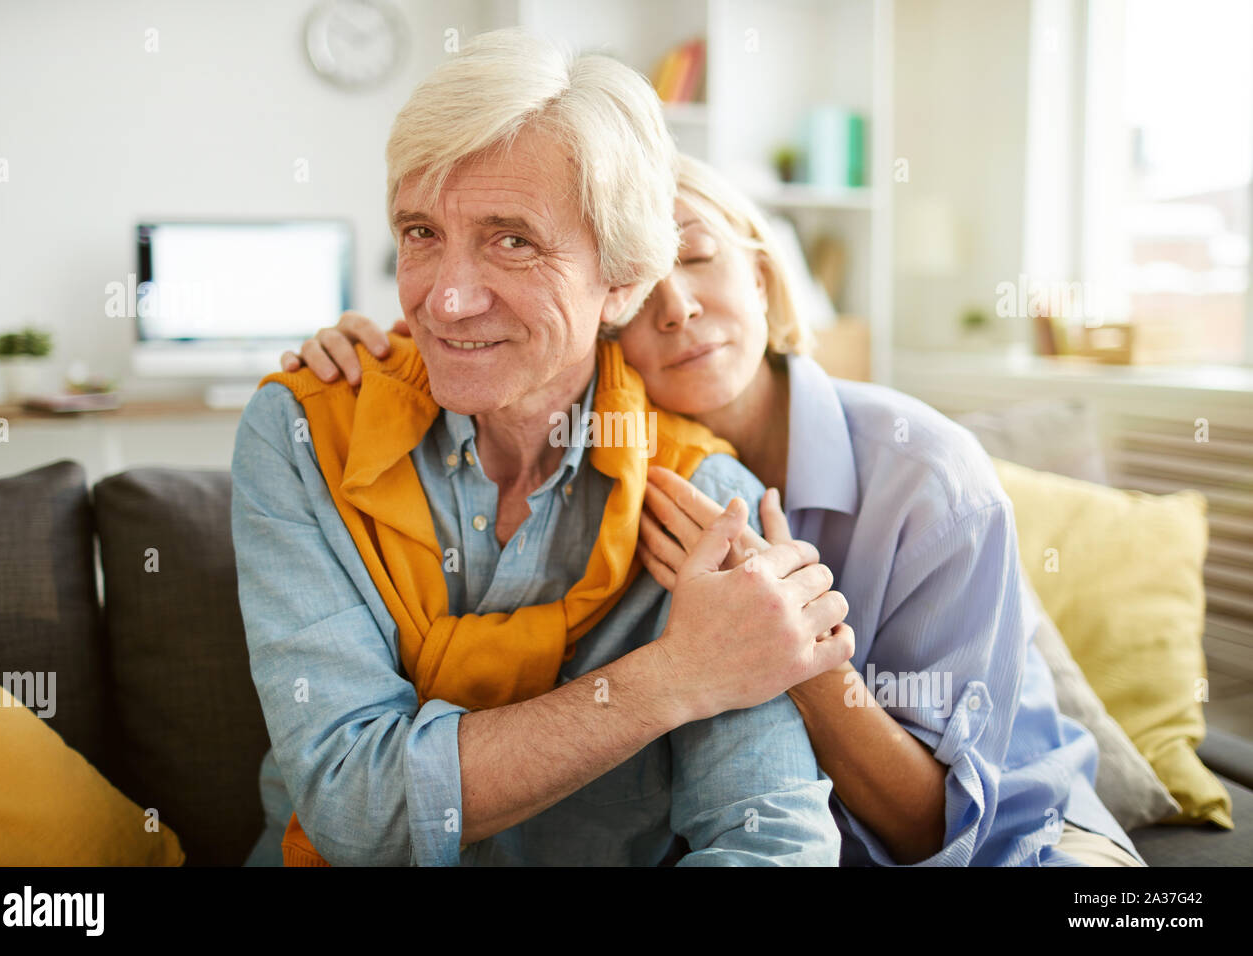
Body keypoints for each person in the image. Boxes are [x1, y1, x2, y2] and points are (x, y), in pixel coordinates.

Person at [287, 151, 1146, 867]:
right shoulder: (620, 479)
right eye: (641, 283)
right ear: (599, 319)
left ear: (764, 277)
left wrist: (793, 654)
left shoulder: (927, 478)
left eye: (696, 257)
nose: (678, 307)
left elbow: (939, 828)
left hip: (1016, 843)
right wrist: (372, 359)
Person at [232, 28, 854, 867]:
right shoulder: (305, 432)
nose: (445, 300)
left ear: (623, 280)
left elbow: (770, 839)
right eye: (420, 233)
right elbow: (355, 809)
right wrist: (670, 678)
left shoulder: (702, 495)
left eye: (511, 240)